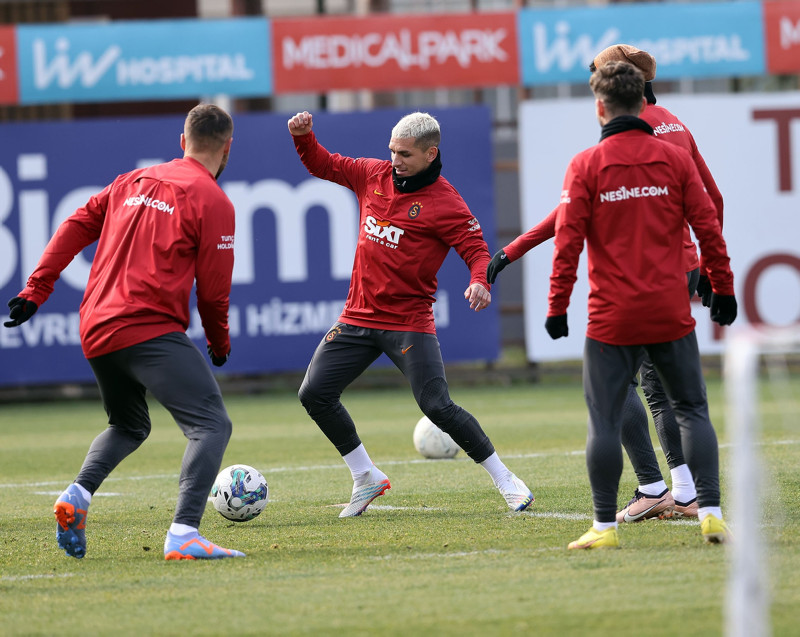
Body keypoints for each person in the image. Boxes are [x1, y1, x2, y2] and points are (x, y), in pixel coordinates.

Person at [488, 44, 726, 524]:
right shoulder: (675, 123)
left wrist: (518, 247)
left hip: (645, 277)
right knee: (663, 388)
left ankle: (661, 487)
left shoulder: (636, 135)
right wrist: (701, 265)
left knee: (622, 387)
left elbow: (571, 215)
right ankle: (680, 492)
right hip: (680, 270)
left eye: (599, 74)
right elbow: (712, 199)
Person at [4, 104, 244, 561]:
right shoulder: (213, 200)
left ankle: (77, 495)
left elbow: (74, 226)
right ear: (228, 147)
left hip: (95, 326)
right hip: (147, 327)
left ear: (182, 140)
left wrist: (36, 289)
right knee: (211, 424)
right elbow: (214, 292)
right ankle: (184, 533)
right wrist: (218, 342)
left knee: (129, 424)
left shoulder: (131, 181)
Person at [288, 110, 533, 517]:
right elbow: (323, 164)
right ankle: (365, 476)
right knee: (314, 393)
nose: (395, 160)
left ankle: (505, 479)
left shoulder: (446, 202)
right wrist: (303, 137)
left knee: (436, 406)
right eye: (392, 151)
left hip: (408, 323)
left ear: (429, 153)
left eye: (403, 153)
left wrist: (480, 281)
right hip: (357, 317)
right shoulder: (372, 175)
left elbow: (476, 250)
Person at [544, 61, 736, 549]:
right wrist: (723, 287)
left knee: (605, 417)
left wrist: (557, 306)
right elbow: (709, 225)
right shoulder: (675, 161)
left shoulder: (585, 164)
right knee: (692, 408)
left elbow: (568, 244)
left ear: (600, 106)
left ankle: (604, 527)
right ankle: (710, 513)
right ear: (643, 102)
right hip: (669, 307)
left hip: (611, 316)